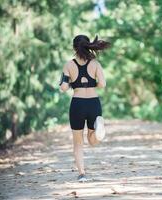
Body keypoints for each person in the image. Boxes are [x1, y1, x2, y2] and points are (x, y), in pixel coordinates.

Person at [59, 35, 110, 182]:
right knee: (93, 140)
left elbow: (63, 87)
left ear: (74, 48)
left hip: (78, 104)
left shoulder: (69, 65)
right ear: (88, 46)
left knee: (78, 142)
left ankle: (82, 174)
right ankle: (98, 130)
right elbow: (102, 84)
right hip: (93, 103)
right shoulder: (95, 64)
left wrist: (69, 83)